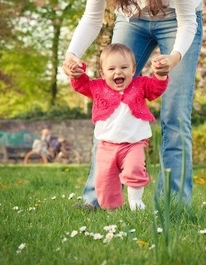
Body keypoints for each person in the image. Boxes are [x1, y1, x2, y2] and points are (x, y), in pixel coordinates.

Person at [63, 0, 203, 208]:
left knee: (174, 116)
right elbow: (91, 17)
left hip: (176, 22)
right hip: (133, 21)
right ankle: (96, 199)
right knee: (108, 103)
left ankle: (173, 204)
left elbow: (188, 20)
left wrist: (174, 58)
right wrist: (72, 54)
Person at [69, 43, 168, 210]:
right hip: (106, 145)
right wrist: (77, 72)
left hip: (134, 143)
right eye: (111, 69)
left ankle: (136, 201)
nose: (118, 72)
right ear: (102, 73)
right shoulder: (98, 87)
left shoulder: (140, 85)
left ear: (133, 69)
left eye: (124, 67)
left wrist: (160, 75)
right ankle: (112, 210)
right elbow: (81, 85)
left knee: (135, 169)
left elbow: (155, 89)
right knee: (104, 180)